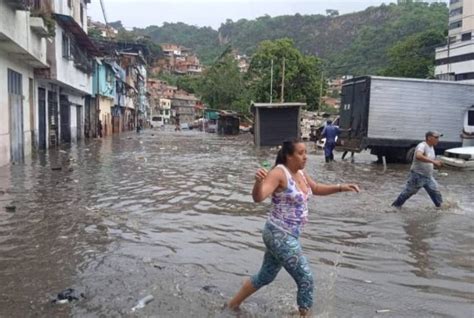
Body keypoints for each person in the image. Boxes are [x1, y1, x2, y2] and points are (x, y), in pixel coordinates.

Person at [227, 139, 360, 316]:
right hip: (279, 235)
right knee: (306, 278)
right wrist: (258, 182)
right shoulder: (279, 173)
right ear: (288, 156)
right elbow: (259, 197)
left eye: (306, 152)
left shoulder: (301, 173)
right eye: (301, 153)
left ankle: (232, 305)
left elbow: (316, 188)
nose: (306, 157)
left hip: (286, 235)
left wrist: (341, 187)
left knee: (265, 276)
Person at [392, 131, 443, 208]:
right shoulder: (422, 145)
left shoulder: (431, 147)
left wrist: (436, 164)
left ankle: (441, 210)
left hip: (428, 176)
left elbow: (428, 161)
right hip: (418, 176)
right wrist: (434, 161)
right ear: (429, 138)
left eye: (438, 138)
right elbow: (418, 156)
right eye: (436, 137)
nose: (438, 140)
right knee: (408, 193)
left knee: (436, 193)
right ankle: (394, 207)